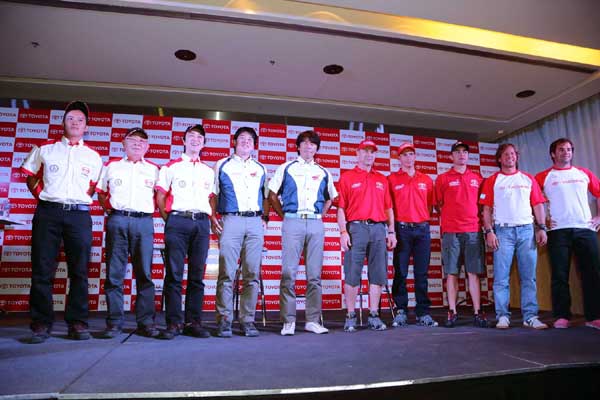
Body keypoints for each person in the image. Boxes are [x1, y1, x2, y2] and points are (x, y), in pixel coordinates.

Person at [21, 101, 103, 343]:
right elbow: (31, 178)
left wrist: (76, 201)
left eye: (80, 120)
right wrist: (47, 199)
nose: (75, 123)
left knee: (79, 271)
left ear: (86, 126)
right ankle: (41, 323)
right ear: (63, 122)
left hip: (78, 215)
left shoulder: (94, 156)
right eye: (70, 119)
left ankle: (77, 322)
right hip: (48, 213)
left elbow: (93, 187)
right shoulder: (45, 148)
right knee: (42, 270)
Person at [268, 130, 338, 336]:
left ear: (317, 148)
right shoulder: (286, 167)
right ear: (298, 147)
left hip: (315, 224)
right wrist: (285, 215)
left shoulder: (324, 171)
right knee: (288, 272)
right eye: (304, 143)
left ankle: (312, 320)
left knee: (314, 275)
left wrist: (321, 216)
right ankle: (288, 321)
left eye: (313, 144)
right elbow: (272, 195)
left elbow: (330, 198)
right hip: (292, 221)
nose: (308, 147)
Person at [96, 127, 159, 338]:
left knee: (145, 275)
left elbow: (160, 199)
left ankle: (146, 322)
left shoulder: (154, 169)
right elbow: (101, 194)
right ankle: (114, 322)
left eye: (142, 141)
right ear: (123, 143)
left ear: (147, 147)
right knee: (115, 274)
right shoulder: (111, 166)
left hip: (144, 222)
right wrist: (113, 212)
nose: (137, 144)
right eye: (133, 140)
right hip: (118, 219)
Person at [479, 143, 548, 330]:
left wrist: (541, 227)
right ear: (499, 159)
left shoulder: (528, 179)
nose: (510, 157)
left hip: (526, 230)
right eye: (505, 154)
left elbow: (538, 205)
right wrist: (489, 231)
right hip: (503, 231)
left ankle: (530, 316)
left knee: (529, 277)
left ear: (516, 157)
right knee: (501, 278)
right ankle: (502, 316)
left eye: (512, 154)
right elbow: (486, 210)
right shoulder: (492, 180)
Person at [155, 124, 215, 339]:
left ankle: (193, 322)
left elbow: (212, 198)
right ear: (183, 140)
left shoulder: (208, 171)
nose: (196, 140)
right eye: (191, 136)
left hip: (201, 223)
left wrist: (208, 217)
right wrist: (170, 220)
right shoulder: (170, 167)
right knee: (174, 275)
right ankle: (173, 323)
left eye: (200, 137)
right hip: (177, 222)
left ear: (204, 143)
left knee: (197, 276)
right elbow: (160, 197)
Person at [535, 138, 600, 330]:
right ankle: (562, 315)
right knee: (559, 275)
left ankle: (594, 316)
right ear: (553, 154)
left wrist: (598, 216)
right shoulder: (543, 176)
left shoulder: (584, 173)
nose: (566, 152)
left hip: (585, 229)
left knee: (592, 273)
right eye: (561, 150)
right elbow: (531, 200)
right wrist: (541, 222)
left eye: (569, 149)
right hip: (557, 231)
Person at [211, 127, 268, 338]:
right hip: (231, 219)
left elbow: (267, 195)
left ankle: (247, 321)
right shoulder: (222, 164)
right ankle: (224, 320)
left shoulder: (260, 167)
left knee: (252, 274)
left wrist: (265, 217)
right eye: (242, 138)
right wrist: (213, 217)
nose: (246, 142)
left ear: (254, 144)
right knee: (226, 272)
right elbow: (213, 193)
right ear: (234, 141)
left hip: (254, 221)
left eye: (250, 139)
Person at [337, 139, 396, 332]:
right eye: (365, 151)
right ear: (357, 153)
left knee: (378, 273)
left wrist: (392, 231)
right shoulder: (347, 177)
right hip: (356, 228)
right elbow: (341, 208)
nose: (369, 155)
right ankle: (351, 315)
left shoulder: (382, 179)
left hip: (379, 229)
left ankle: (373, 315)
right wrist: (343, 231)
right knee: (352, 273)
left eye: (372, 152)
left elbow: (388, 208)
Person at [435, 142, 488, 328]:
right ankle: (452, 311)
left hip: (473, 230)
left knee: (473, 273)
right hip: (451, 232)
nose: (462, 155)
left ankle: (477, 311)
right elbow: (438, 204)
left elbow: (483, 206)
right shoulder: (442, 178)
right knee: (451, 273)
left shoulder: (477, 178)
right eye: (457, 152)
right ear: (451, 156)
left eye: (465, 152)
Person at [388, 142, 437, 327]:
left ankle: (422, 311)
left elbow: (430, 206)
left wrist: (420, 220)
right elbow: (388, 207)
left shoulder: (425, 179)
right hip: (402, 230)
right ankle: (401, 310)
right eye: (405, 155)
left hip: (422, 229)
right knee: (400, 271)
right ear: (399, 158)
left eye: (411, 154)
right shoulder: (391, 179)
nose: (409, 158)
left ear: (415, 157)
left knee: (421, 273)